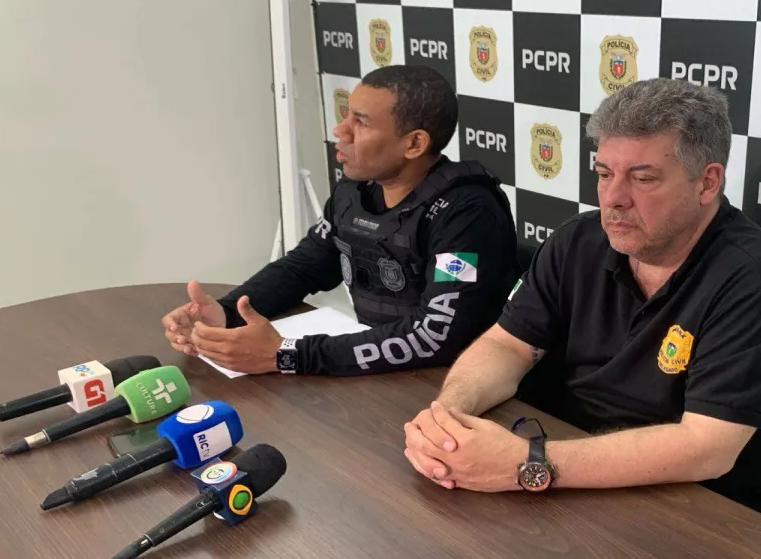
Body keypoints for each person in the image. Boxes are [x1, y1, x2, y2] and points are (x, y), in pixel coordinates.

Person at [401, 78, 761, 522]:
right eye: (604, 174)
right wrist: (449, 419)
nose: (613, 199)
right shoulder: (578, 240)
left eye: (643, 178)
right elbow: (509, 345)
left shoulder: (757, 280)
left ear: (707, 182)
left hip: (705, 508)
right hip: (571, 461)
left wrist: (527, 462)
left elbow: (706, 448)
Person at [160, 65, 517, 377]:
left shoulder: (467, 212)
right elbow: (303, 267)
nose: (339, 130)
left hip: (456, 387)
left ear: (414, 143)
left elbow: (437, 336)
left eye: (360, 122)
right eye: (346, 116)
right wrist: (226, 313)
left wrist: (288, 354)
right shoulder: (354, 191)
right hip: (382, 378)